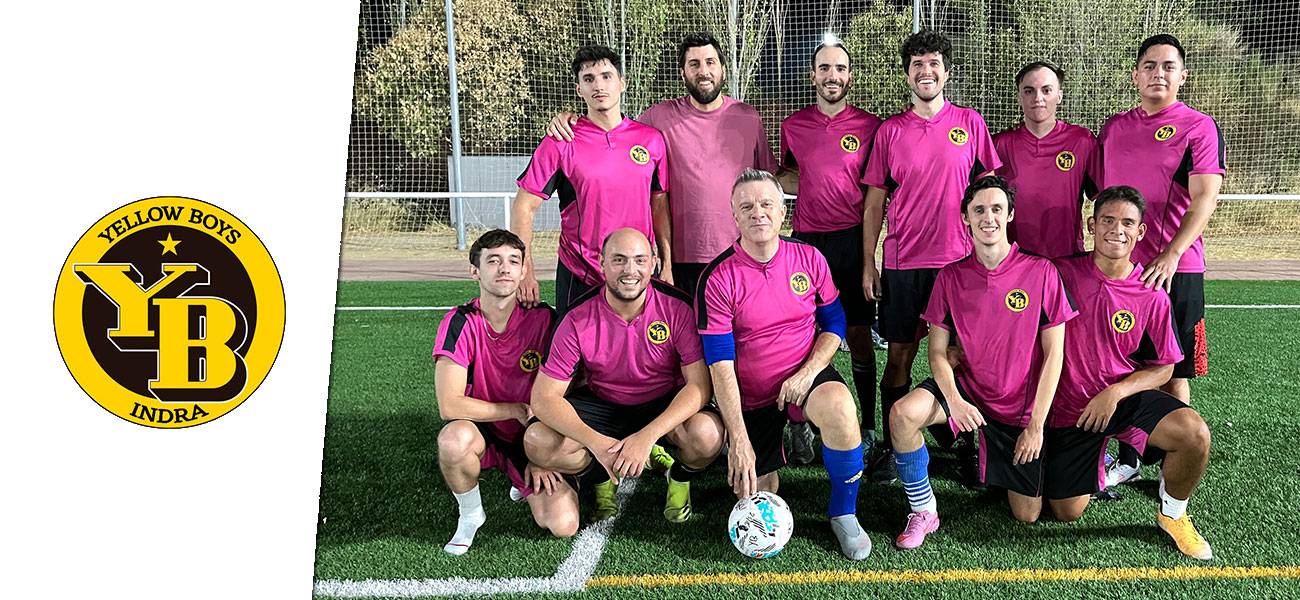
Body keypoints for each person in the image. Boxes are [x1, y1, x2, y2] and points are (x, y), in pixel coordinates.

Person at [888, 176, 1076, 549]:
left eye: (996, 209)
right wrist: (955, 400)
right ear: (966, 217)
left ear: (1010, 215)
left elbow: (1055, 354)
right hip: (968, 390)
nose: (988, 218)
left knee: (1027, 514)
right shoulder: (950, 276)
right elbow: (937, 352)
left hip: (1018, 406)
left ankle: (1001, 465)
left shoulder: (1041, 271)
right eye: (979, 210)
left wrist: (1036, 425)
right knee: (902, 415)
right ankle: (924, 510)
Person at [698, 169, 873, 561]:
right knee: (754, 493)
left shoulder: (809, 258)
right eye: (746, 206)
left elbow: (835, 324)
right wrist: (738, 440)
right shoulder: (718, 278)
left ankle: (844, 512)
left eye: (766, 204)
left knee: (841, 408)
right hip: (753, 397)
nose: (757, 213)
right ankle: (773, 444)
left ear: (782, 212)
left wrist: (807, 374)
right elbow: (720, 364)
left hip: (804, 378)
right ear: (734, 216)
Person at [861, 30, 1001, 484]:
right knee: (899, 357)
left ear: (947, 71)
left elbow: (990, 195)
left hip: (959, 266)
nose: (926, 71)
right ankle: (892, 444)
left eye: (934, 63)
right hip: (904, 264)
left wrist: (992, 256)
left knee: (963, 357)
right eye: (917, 64)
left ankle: (968, 446)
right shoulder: (890, 131)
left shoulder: (970, 123)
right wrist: (869, 262)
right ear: (907, 75)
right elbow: (874, 204)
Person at [1045, 185, 1213, 559]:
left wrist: (1116, 392)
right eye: (1107, 220)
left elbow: (1165, 366)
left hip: (1121, 400)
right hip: (1070, 411)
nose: (1116, 230)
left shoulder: (1151, 292)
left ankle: (1173, 515)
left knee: (1194, 434)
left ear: (1140, 231)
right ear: (1092, 225)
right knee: (1066, 512)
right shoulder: (1058, 273)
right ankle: (1098, 460)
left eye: (1127, 223)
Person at [547, 32, 778, 298]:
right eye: (694, 64)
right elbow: (615, 131)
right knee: (684, 326)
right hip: (681, 261)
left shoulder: (748, 116)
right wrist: (569, 119)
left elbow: (769, 178)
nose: (703, 71)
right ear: (683, 73)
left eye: (710, 62)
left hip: (740, 251)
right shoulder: (658, 117)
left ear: (723, 70)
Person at [524, 228, 724, 524]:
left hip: (661, 401)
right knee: (537, 441)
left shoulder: (677, 308)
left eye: (640, 260)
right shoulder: (577, 316)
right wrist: (598, 445)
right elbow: (543, 398)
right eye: (619, 260)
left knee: (708, 435)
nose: (630, 270)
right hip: (603, 403)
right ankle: (599, 477)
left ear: (653, 263)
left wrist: (647, 437)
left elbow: (699, 385)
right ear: (602, 263)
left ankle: (679, 478)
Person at [1098, 34, 1226, 487]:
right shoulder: (1114, 128)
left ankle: (1177, 463)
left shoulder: (1198, 127)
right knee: (1118, 363)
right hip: (1122, 272)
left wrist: (1171, 254)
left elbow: (1205, 197)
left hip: (1176, 271)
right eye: (1150, 66)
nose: (1158, 73)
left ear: (1182, 76)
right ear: (1135, 75)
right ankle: (1127, 457)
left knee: (1173, 371)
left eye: (1168, 66)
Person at [776, 38, 886, 475]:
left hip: (851, 242)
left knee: (857, 335)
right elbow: (790, 174)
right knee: (801, 335)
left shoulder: (871, 126)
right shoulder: (793, 125)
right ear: (813, 76)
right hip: (805, 243)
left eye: (839, 68)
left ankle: (868, 425)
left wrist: (869, 258)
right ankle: (798, 422)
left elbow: (877, 190)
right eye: (824, 68)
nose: (832, 76)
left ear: (850, 75)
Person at [432, 230, 573, 555]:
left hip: (530, 433)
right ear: (475, 271)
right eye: (493, 261)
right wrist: (512, 409)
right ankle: (470, 513)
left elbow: (565, 389)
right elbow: (449, 405)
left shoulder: (544, 319)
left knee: (563, 524)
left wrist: (542, 454)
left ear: (523, 271)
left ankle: (520, 477)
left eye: (513, 261)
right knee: (453, 441)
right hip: (481, 428)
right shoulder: (460, 322)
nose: (504, 268)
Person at [513, 45, 670, 317]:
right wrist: (525, 272)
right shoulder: (561, 140)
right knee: (572, 347)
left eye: (606, 76)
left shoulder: (651, 140)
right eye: (589, 79)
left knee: (640, 345)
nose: (598, 85)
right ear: (579, 89)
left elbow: (659, 206)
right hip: (580, 274)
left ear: (622, 83)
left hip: (636, 273)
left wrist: (666, 264)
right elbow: (524, 207)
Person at [993, 61, 1101, 258]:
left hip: (1066, 259)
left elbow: (1103, 197)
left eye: (1046, 90)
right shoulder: (1000, 145)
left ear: (1059, 95)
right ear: (1019, 97)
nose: (1038, 98)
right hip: (1014, 260)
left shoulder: (1082, 141)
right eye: (1029, 91)